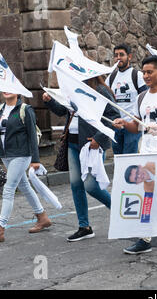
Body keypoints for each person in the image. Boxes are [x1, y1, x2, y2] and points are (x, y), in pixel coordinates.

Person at [113, 55, 157, 254]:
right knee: (147, 195)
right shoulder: (141, 98)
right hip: (147, 154)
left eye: (150, 72)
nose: (146, 76)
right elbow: (137, 126)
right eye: (144, 72)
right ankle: (145, 238)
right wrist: (124, 124)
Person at [43, 75, 120, 242]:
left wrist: (99, 138)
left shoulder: (99, 90)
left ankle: (121, 214)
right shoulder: (71, 87)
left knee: (91, 186)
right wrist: (49, 101)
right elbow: (64, 110)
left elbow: (114, 115)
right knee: (76, 185)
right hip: (72, 142)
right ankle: (84, 226)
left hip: (90, 144)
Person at [0, 92, 52, 242]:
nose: (7, 91)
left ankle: (1, 228)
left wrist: (35, 160)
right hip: (6, 154)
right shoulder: (1, 109)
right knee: (24, 186)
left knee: (9, 189)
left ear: (17, 90)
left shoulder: (25, 109)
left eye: (11, 87)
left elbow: (31, 134)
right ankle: (42, 217)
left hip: (21, 154)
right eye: (4, 87)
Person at [106, 44, 148, 155]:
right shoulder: (111, 78)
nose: (118, 58)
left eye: (121, 55)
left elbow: (145, 99)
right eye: (116, 55)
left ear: (129, 57)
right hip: (117, 126)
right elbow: (106, 100)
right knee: (119, 160)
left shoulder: (137, 75)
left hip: (133, 126)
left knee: (131, 159)